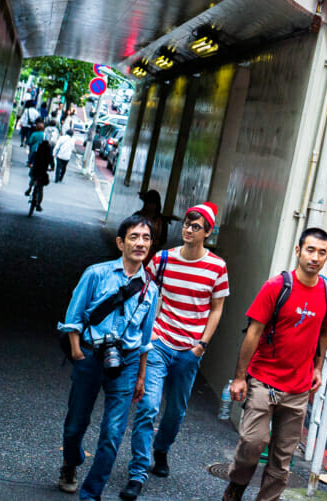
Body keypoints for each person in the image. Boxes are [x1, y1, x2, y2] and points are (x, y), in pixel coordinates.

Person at [221, 228, 327, 501]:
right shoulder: (276, 287)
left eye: (322, 253)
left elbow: (324, 332)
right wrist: (240, 377)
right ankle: (236, 484)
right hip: (263, 380)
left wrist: (318, 368)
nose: (315, 257)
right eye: (310, 250)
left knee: (282, 460)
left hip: (298, 389)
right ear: (298, 251)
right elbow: (254, 332)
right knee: (252, 442)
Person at [122, 202, 229, 500]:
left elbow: (217, 308)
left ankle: (162, 449)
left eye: (196, 226)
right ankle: (138, 471)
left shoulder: (217, 267)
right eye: (186, 224)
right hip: (158, 342)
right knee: (148, 406)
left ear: (207, 232)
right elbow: (145, 294)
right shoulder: (163, 259)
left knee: (176, 411)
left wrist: (201, 344)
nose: (188, 230)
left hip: (190, 350)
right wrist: (146, 334)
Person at [57, 215, 159, 500]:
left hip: (125, 364)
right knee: (76, 423)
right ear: (120, 242)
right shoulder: (96, 274)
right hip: (90, 357)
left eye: (146, 238)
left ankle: (91, 493)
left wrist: (140, 377)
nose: (140, 243)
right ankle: (71, 462)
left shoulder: (151, 289)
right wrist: (78, 353)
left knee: (113, 433)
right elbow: (73, 318)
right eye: (134, 237)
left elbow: (145, 339)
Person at [136, 189, 169, 260]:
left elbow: (163, 239)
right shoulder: (137, 216)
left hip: (153, 254)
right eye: (148, 203)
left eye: (153, 203)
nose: (150, 205)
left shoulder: (162, 220)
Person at [28, 134, 54, 212]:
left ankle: (29, 189)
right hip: (43, 170)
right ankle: (38, 204)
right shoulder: (49, 151)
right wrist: (52, 168)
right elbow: (51, 160)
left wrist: (30, 163)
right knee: (40, 188)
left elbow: (33, 155)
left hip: (35, 168)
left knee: (32, 178)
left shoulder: (38, 148)